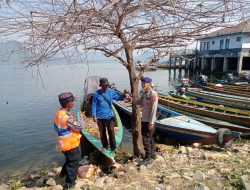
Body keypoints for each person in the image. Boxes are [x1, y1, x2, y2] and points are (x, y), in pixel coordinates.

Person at [53, 92, 84, 190]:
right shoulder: (67, 118)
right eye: (72, 102)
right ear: (68, 104)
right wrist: (82, 118)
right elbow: (79, 127)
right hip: (71, 145)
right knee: (73, 163)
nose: (73, 104)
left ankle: (62, 174)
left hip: (62, 144)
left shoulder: (58, 112)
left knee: (69, 160)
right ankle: (69, 184)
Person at [92, 77, 129, 152]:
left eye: (106, 85)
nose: (105, 86)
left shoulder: (111, 91)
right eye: (104, 85)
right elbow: (94, 105)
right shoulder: (96, 94)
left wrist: (124, 94)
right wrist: (94, 115)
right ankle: (105, 146)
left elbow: (118, 98)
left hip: (110, 116)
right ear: (101, 85)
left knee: (111, 131)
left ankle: (114, 147)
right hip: (100, 117)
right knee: (102, 133)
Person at [133, 76, 158, 164]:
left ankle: (148, 158)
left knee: (146, 139)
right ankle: (153, 154)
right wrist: (132, 100)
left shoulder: (153, 94)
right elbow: (139, 102)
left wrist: (151, 123)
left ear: (149, 84)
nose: (143, 85)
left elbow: (154, 109)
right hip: (144, 119)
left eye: (144, 83)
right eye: (142, 83)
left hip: (150, 121)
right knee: (149, 138)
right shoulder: (144, 93)